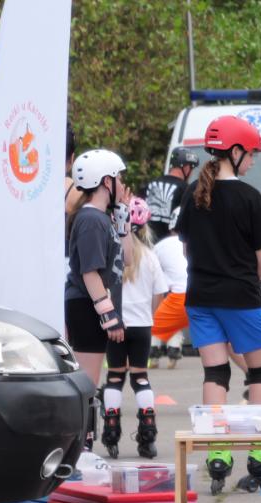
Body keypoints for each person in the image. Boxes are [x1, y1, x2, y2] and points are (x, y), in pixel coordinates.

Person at [175, 115, 261, 494]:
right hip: (241, 297)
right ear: (234, 152)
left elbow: (186, 248)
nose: (252, 161)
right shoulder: (249, 198)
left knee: (216, 373)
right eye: (250, 154)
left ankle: (218, 453)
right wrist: (248, 280)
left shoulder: (193, 193)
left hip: (201, 297)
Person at [64, 148, 129, 452]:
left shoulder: (101, 218)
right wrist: (108, 313)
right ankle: (82, 447)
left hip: (92, 305)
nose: (123, 184)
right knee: (88, 383)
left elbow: (126, 261)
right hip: (86, 305)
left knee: (91, 379)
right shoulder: (91, 220)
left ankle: (83, 446)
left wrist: (124, 226)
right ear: (106, 181)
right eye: (119, 178)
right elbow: (89, 272)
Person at [101, 197, 167, 460]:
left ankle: (111, 427)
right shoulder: (150, 258)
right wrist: (148, 316)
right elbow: (159, 294)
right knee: (140, 377)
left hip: (115, 323)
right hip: (142, 325)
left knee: (114, 377)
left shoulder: (111, 254)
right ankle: (148, 430)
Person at [150, 207, 190, 368]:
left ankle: (153, 350)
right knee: (174, 320)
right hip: (202, 295)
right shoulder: (198, 241)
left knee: (151, 322)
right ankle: (174, 347)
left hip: (178, 297)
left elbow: (152, 275)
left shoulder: (161, 246)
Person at [144, 147, 200, 244]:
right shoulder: (186, 190)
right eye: (191, 168)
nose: (191, 173)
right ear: (186, 168)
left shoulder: (150, 184)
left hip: (147, 244)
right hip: (170, 245)